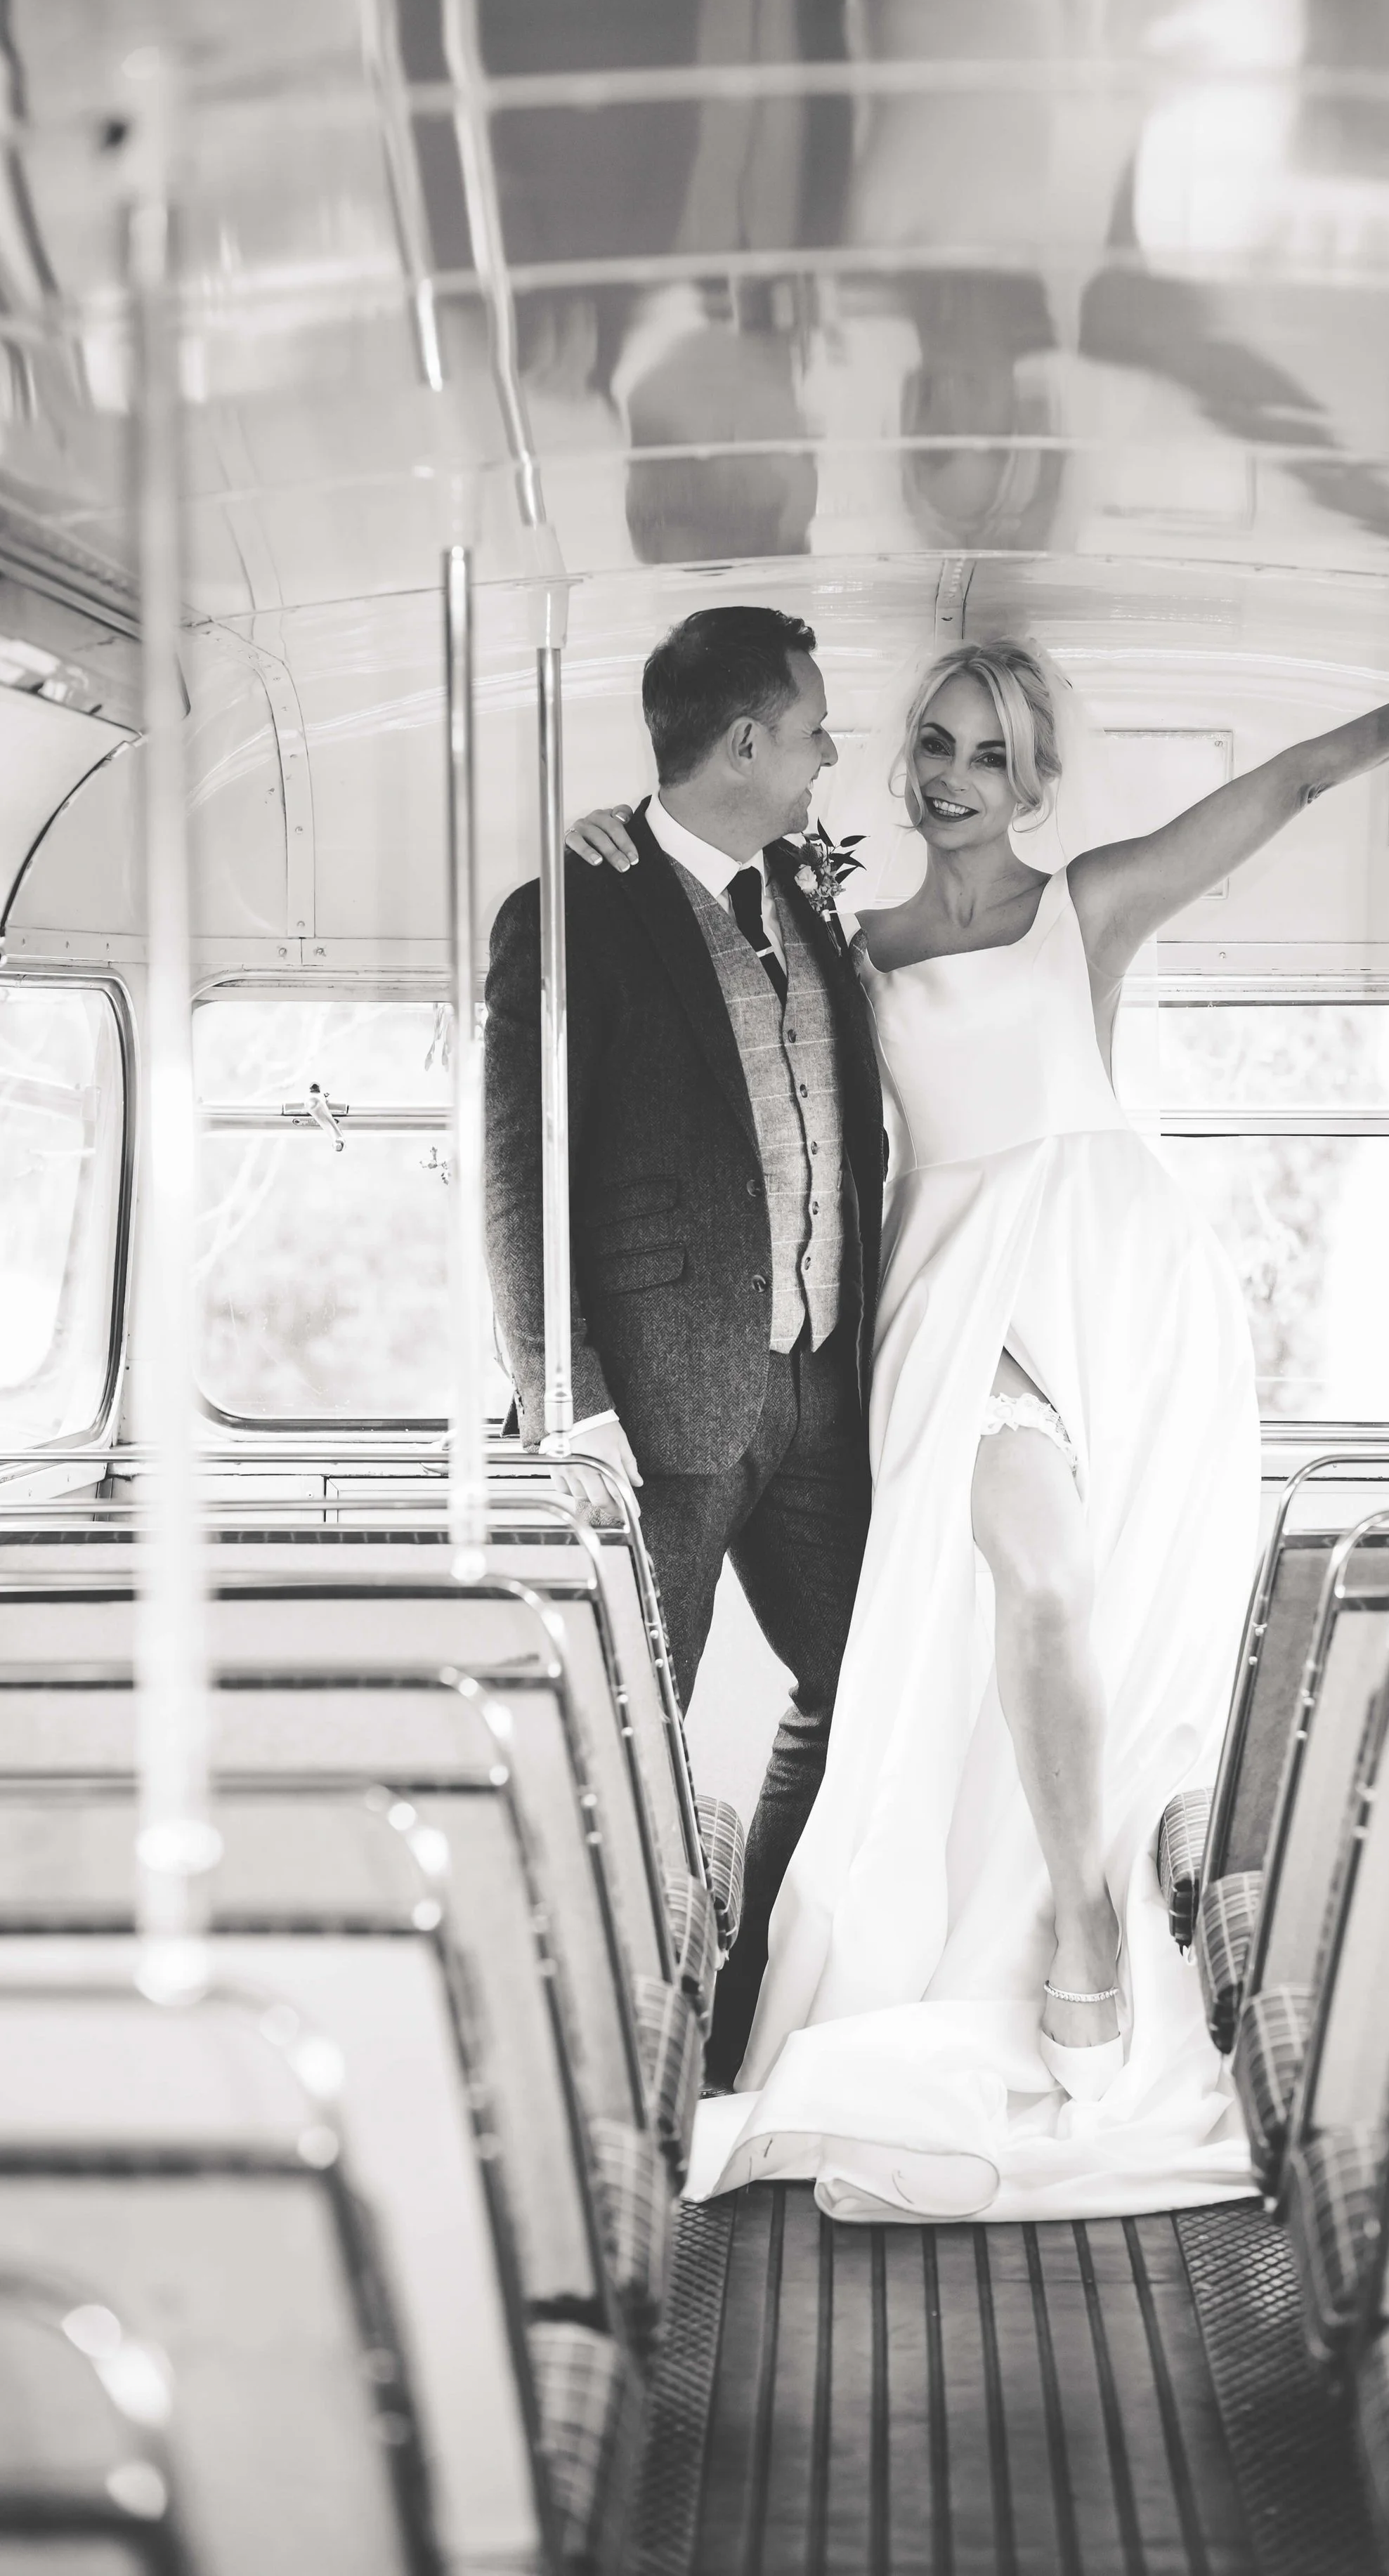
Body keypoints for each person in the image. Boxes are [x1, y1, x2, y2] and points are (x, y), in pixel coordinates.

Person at [569, 631, 1389, 2220]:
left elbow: (1301, 776)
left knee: (1109, 1623)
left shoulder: (1088, 902)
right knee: (1034, 1584)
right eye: (931, 746)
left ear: (1029, 774)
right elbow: (697, 930)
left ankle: (1087, 1907)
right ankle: (1084, 1925)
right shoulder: (847, 930)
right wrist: (611, 839)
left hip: (1121, 1277)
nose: (951, 778)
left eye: (986, 753)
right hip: (954, 1286)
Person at [482, 607, 886, 2086]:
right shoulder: (573, 912)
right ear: (744, 745)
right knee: (630, 1738)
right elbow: (519, 1180)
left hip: (819, 1390)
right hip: (651, 1411)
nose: (828, 753)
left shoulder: (806, 893)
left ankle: (738, 2010)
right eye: (813, 729)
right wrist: (567, 1402)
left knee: (857, 1689)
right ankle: (613, 2057)